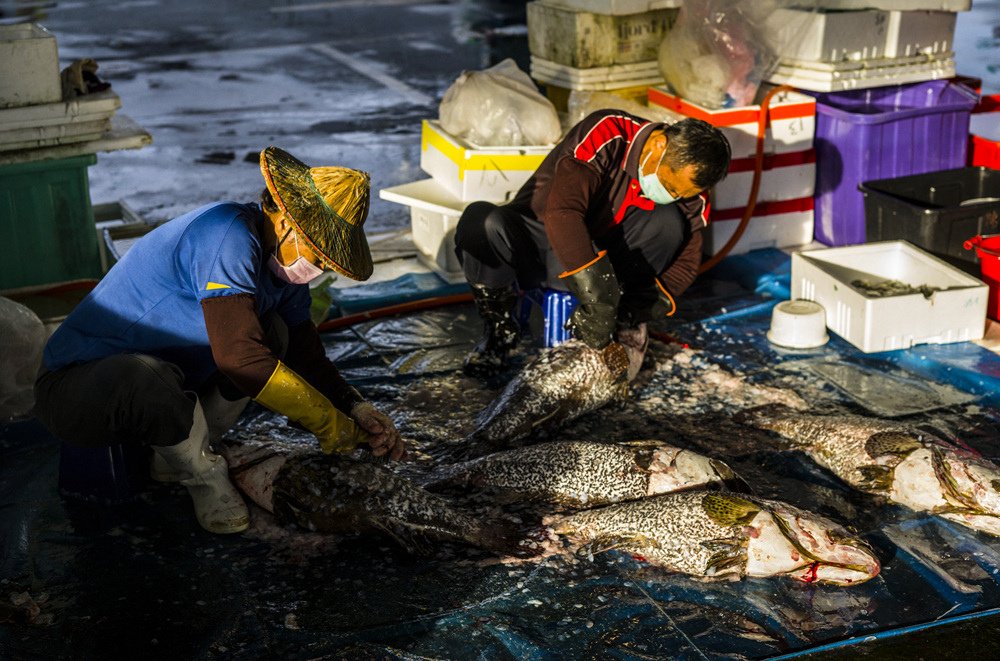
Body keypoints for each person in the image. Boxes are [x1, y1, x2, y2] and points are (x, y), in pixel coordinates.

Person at [34, 146, 406, 534]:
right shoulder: (225, 235)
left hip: (172, 379)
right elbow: (238, 358)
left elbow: (304, 352)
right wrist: (326, 422)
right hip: (74, 388)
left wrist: (353, 407)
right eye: (319, 254)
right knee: (149, 376)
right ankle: (203, 477)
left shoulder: (281, 271)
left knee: (275, 332)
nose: (321, 268)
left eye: (328, 262)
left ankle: (179, 453)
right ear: (285, 224)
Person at [454, 109, 731, 377]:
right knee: (481, 222)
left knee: (670, 223)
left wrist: (633, 308)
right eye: (670, 187)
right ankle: (499, 332)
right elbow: (562, 212)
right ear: (659, 145)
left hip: (608, 264)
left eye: (681, 194)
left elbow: (687, 261)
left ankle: (619, 328)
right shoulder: (608, 131)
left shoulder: (693, 195)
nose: (672, 196)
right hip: (538, 240)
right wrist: (597, 296)